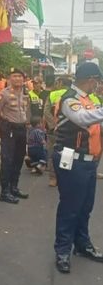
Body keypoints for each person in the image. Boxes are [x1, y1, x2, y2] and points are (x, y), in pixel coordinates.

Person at [53, 62, 103, 274]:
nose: (97, 86)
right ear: (89, 80)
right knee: (70, 207)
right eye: (96, 81)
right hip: (72, 160)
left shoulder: (88, 100)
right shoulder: (70, 99)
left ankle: (82, 245)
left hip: (89, 161)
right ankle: (63, 250)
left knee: (85, 206)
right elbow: (82, 118)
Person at [0, 68, 30, 204]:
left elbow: (27, 111)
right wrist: (0, 130)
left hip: (21, 129)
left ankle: (14, 187)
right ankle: (5, 191)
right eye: (14, 76)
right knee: (7, 160)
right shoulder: (4, 94)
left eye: (20, 76)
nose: (17, 79)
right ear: (9, 78)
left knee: (18, 159)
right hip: (9, 129)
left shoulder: (25, 93)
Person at [43, 77, 72, 187]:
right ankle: (65, 177)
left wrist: (54, 125)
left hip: (54, 130)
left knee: (52, 153)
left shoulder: (52, 94)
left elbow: (46, 111)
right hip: (69, 131)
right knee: (67, 153)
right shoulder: (75, 95)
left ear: (60, 83)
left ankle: (53, 178)